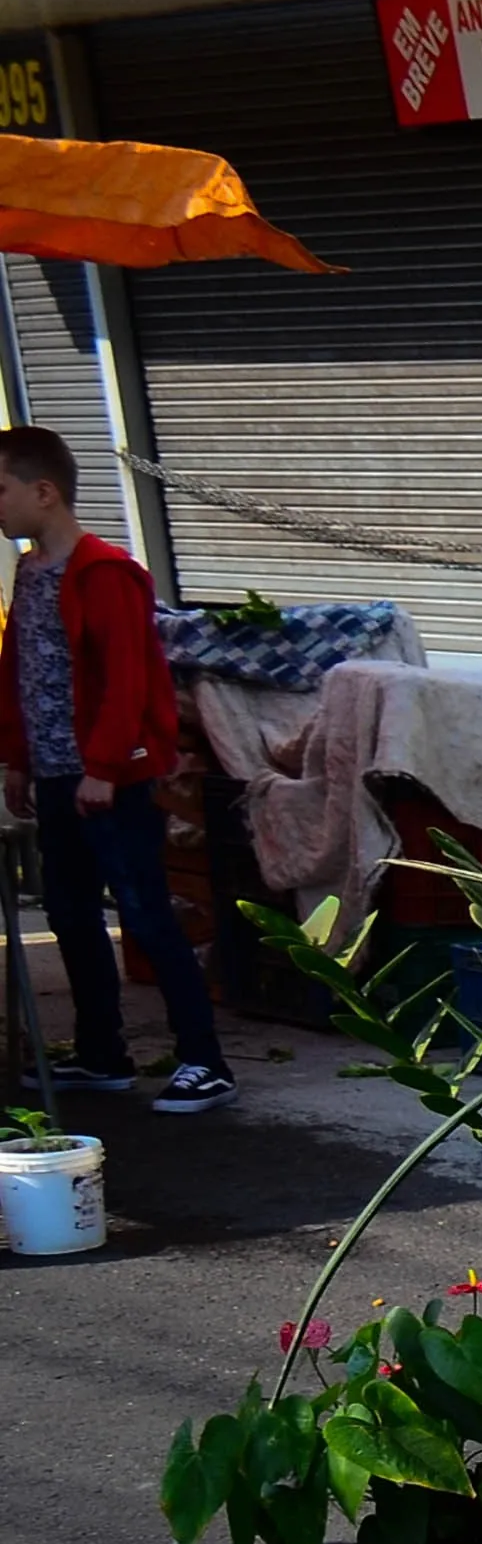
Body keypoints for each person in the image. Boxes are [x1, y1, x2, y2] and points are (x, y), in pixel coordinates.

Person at [0, 425, 225, 1113]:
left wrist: (105, 766)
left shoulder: (106, 574)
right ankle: (103, 1055)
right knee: (70, 913)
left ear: (44, 492)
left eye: (0, 491)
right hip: (56, 777)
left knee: (145, 913)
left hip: (111, 780)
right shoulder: (31, 571)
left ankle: (205, 1061)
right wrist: (17, 761)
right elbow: (20, 673)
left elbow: (129, 682)